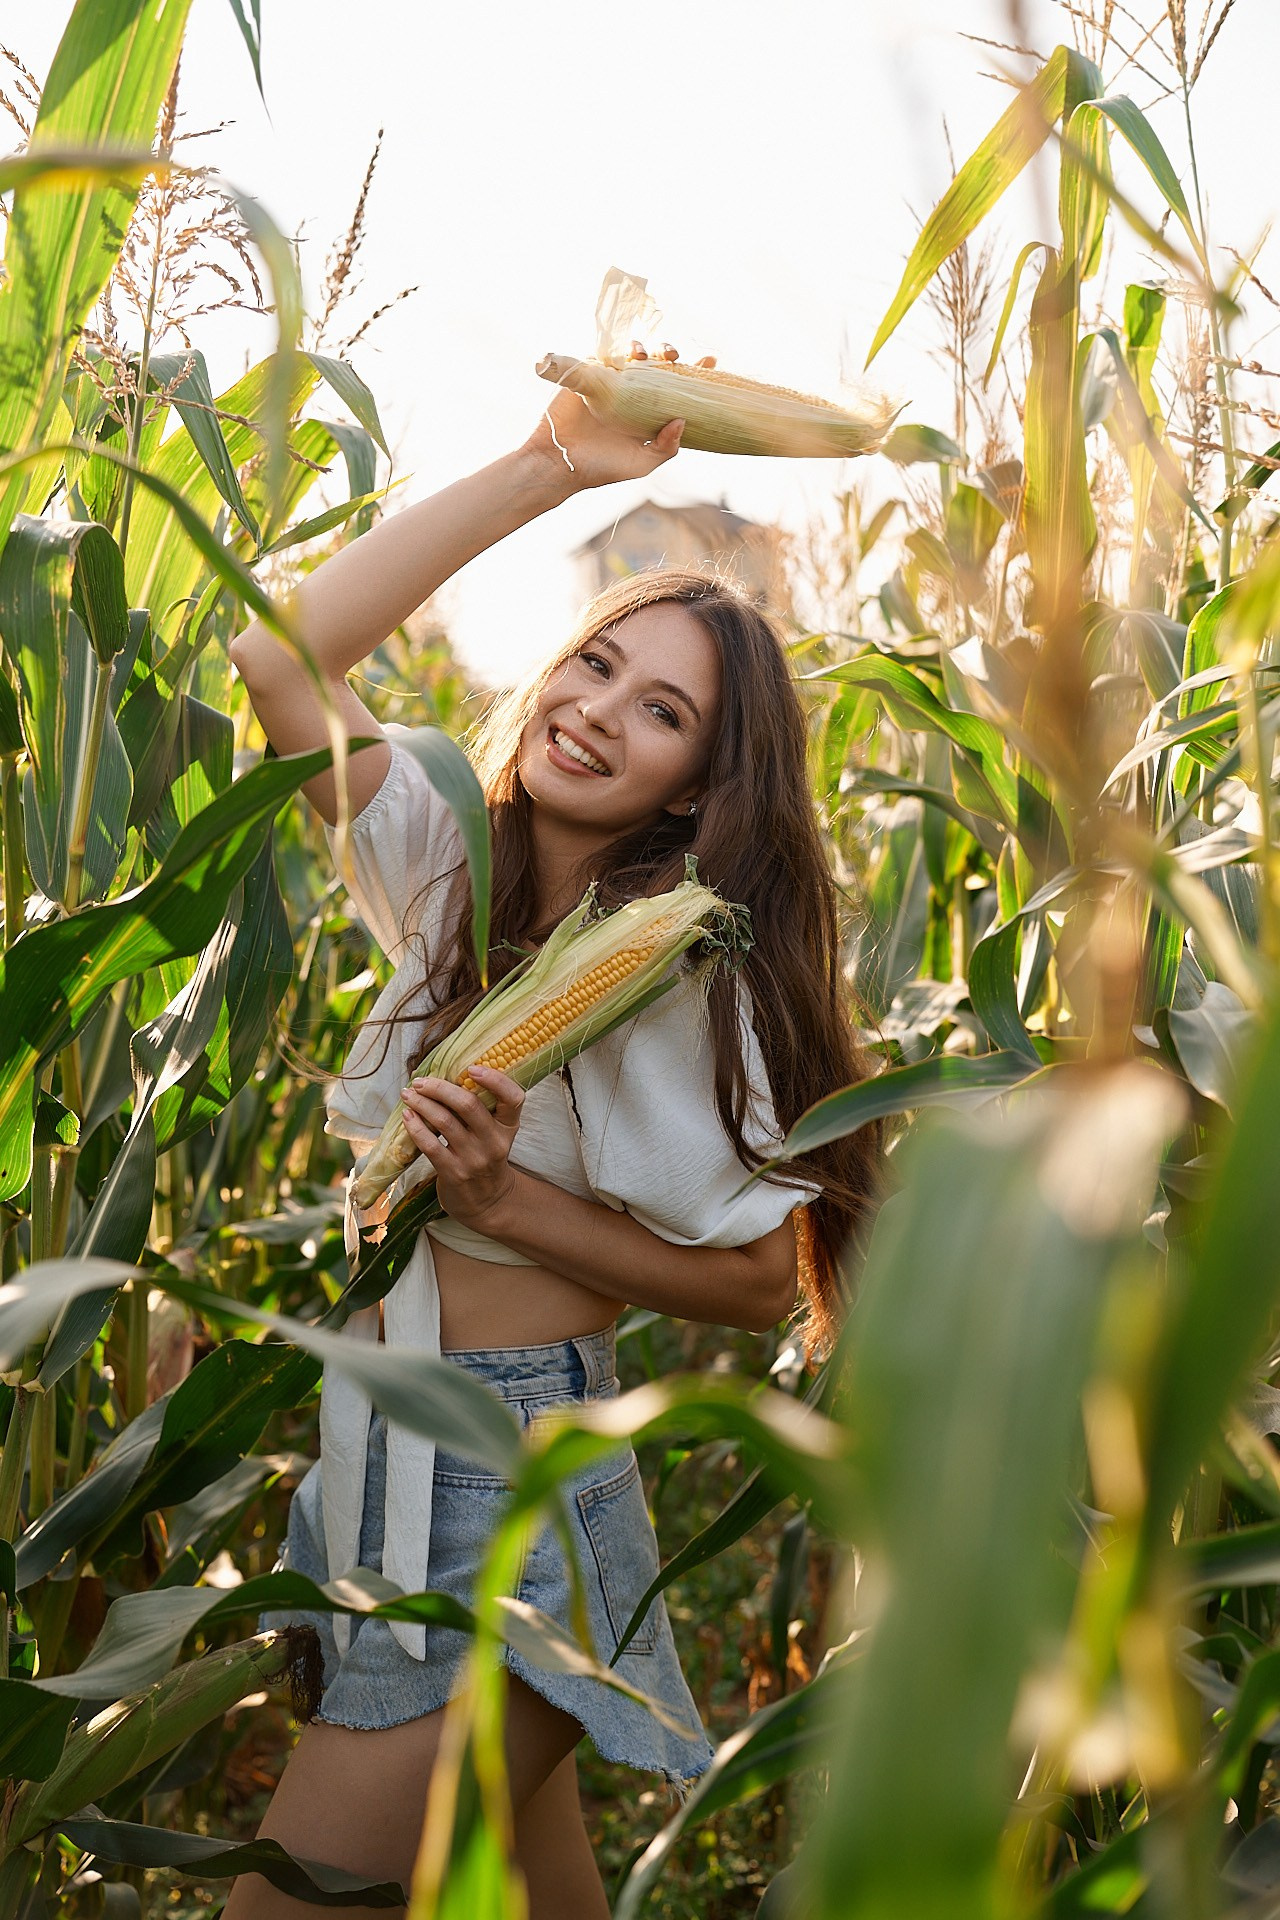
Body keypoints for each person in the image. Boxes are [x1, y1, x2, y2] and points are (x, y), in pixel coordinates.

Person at [223, 380, 879, 1919]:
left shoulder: (681, 979)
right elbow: (276, 656)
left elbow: (753, 1284)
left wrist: (504, 1196)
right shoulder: (447, 850)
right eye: (596, 663)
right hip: (370, 1435)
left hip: (497, 1464)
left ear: (706, 785)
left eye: (665, 712)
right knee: (530, 1893)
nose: (600, 710)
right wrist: (543, 466)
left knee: (288, 1904)